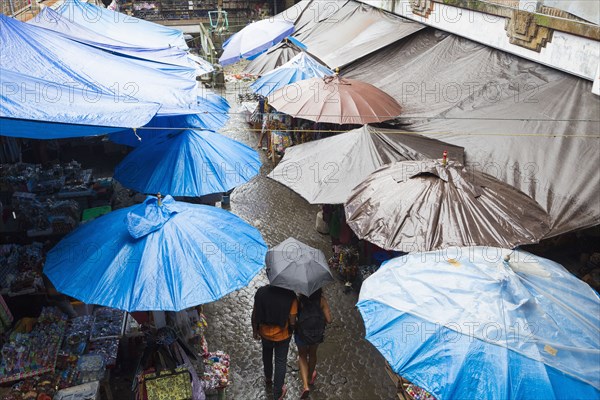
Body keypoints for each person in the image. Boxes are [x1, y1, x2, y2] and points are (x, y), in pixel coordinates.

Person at [252, 285, 298, 400]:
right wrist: (293, 329)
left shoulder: (261, 292)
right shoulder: (290, 295)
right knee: (280, 361)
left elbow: (255, 313)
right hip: (283, 335)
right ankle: (277, 393)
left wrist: (255, 330)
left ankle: (268, 378)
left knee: (266, 354)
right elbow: (292, 320)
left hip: (265, 333)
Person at [295, 289, 332, 399]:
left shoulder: (299, 301)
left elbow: (293, 316)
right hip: (317, 334)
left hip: (301, 333)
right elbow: (329, 320)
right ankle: (310, 377)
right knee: (312, 354)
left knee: (302, 356)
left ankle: (305, 386)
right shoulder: (321, 300)